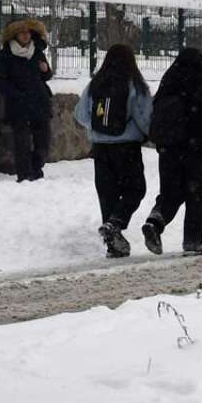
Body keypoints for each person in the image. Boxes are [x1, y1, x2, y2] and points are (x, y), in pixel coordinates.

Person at [142, 48, 202, 257]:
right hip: (194, 150)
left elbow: (155, 117)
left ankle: (155, 221)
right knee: (195, 196)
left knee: (171, 191)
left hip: (168, 150)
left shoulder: (167, 85)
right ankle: (192, 241)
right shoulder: (200, 86)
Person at [73, 44, 153, 258]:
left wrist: (98, 128)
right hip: (127, 148)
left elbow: (80, 114)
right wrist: (152, 135)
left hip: (100, 148)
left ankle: (113, 244)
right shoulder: (134, 85)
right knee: (135, 189)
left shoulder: (95, 85)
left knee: (107, 193)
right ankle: (115, 223)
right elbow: (144, 117)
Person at [0, 18, 53, 182]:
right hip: (18, 105)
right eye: (22, 32)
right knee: (22, 143)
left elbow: (46, 76)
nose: (26, 36)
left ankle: (35, 168)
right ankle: (25, 176)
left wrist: (46, 70)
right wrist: (16, 94)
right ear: (15, 35)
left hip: (40, 103)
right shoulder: (5, 55)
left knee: (43, 144)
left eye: (28, 32)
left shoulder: (37, 51)